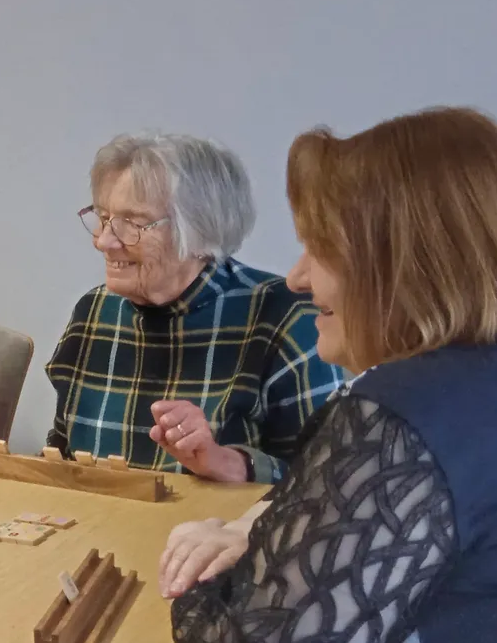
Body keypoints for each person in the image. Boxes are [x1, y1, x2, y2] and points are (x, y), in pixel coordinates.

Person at [121, 107, 497, 643]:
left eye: (320, 249)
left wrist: (209, 576)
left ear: (398, 260)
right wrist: (265, 529)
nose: (298, 275)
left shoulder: (402, 411)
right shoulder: (481, 387)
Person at [48, 133, 342, 483]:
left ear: (202, 234)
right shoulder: (94, 313)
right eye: (104, 217)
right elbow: (60, 457)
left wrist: (228, 463)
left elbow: (329, 484)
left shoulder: (287, 318)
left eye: (134, 224)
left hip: (218, 535)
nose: (104, 241)